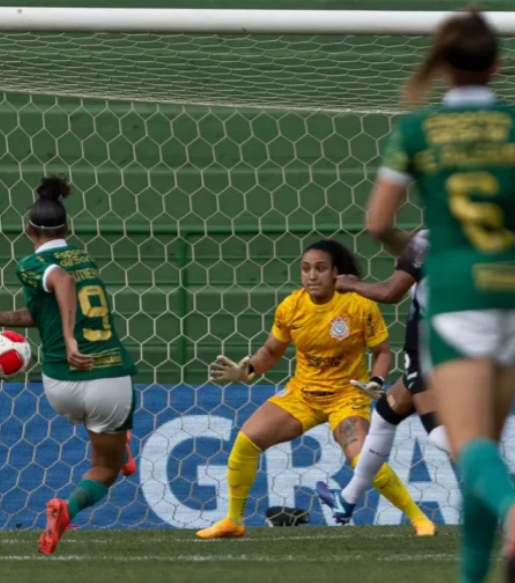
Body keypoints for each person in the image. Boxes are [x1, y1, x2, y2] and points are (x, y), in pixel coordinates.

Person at [365, 8, 515, 582]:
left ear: (444, 66)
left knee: (470, 443)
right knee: (487, 447)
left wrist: (419, 247)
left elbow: (378, 222)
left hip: (456, 297)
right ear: (497, 65)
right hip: (510, 290)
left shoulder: (418, 131)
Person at [196, 239, 435, 539]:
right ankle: (233, 521)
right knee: (246, 441)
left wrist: (376, 381)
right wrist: (247, 369)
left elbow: (382, 352)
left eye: (320, 269)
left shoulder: (359, 304)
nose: (312, 276)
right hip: (302, 395)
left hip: (346, 397)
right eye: (306, 269)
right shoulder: (291, 306)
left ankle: (419, 519)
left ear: (336, 272)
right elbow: (270, 352)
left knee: (364, 458)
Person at [0, 176, 137, 556]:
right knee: (106, 468)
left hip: (61, 386)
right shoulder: (85, 259)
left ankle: (121, 447)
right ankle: (68, 508)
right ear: (68, 228)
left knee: (103, 430)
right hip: (108, 378)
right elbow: (55, 293)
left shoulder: (32, 263)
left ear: (28, 229)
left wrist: (67, 339)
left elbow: (57, 286)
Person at [316, 230, 449, 522]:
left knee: (441, 434)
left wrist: (353, 284)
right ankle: (347, 500)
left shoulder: (430, 238)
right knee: (387, 412)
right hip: (458, 346)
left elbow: (390, 292)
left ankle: (500, 484)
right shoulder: (487, 241)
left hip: (431, 350)